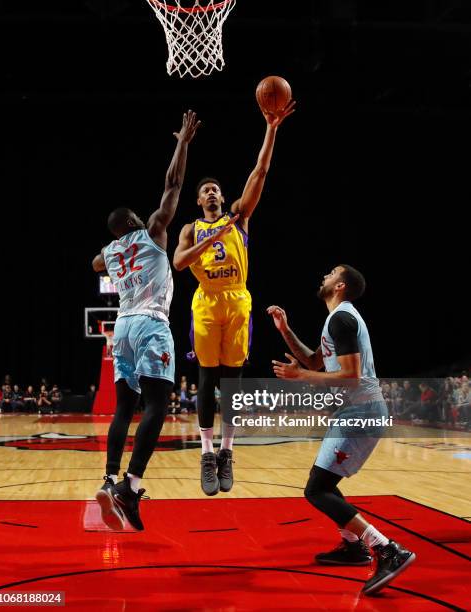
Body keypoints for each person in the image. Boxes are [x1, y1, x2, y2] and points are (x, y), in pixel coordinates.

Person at [268, 265, 415, 596]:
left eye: (332, 272)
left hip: (361, 411)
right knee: (325, 484)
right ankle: (353, 546)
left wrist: (299, 378)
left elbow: (350, 375)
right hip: (355, 410)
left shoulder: (343, 319)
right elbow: (315, 361)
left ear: (341, 285)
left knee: (317, 490)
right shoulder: (336, 319)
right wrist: (285, 330)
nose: (324, 274)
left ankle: (387, 549)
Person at [173, 99, 295, 496]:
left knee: (234, 385)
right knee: (207, 380)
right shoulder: (191, 229)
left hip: (238, 300)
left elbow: (261, 170)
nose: (212, 193)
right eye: (206, 190)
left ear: (223, 199)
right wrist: (211, 239)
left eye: (216, 190)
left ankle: (227, 451)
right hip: (206, 303)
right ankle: (207, 453)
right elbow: (178, 263)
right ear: (198, 200)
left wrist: (272, 128)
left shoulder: (239, 217)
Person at [91, 110, 200, 531]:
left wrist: (108, 253)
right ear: (135, 223)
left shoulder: (111, 253)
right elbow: (173, 184)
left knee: (124, 408)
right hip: (152, 323)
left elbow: (95, 262)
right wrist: (183, 142)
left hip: (122, 330)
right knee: (158, 405)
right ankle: (130, 486)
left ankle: (109, 476)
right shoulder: (153, 229)